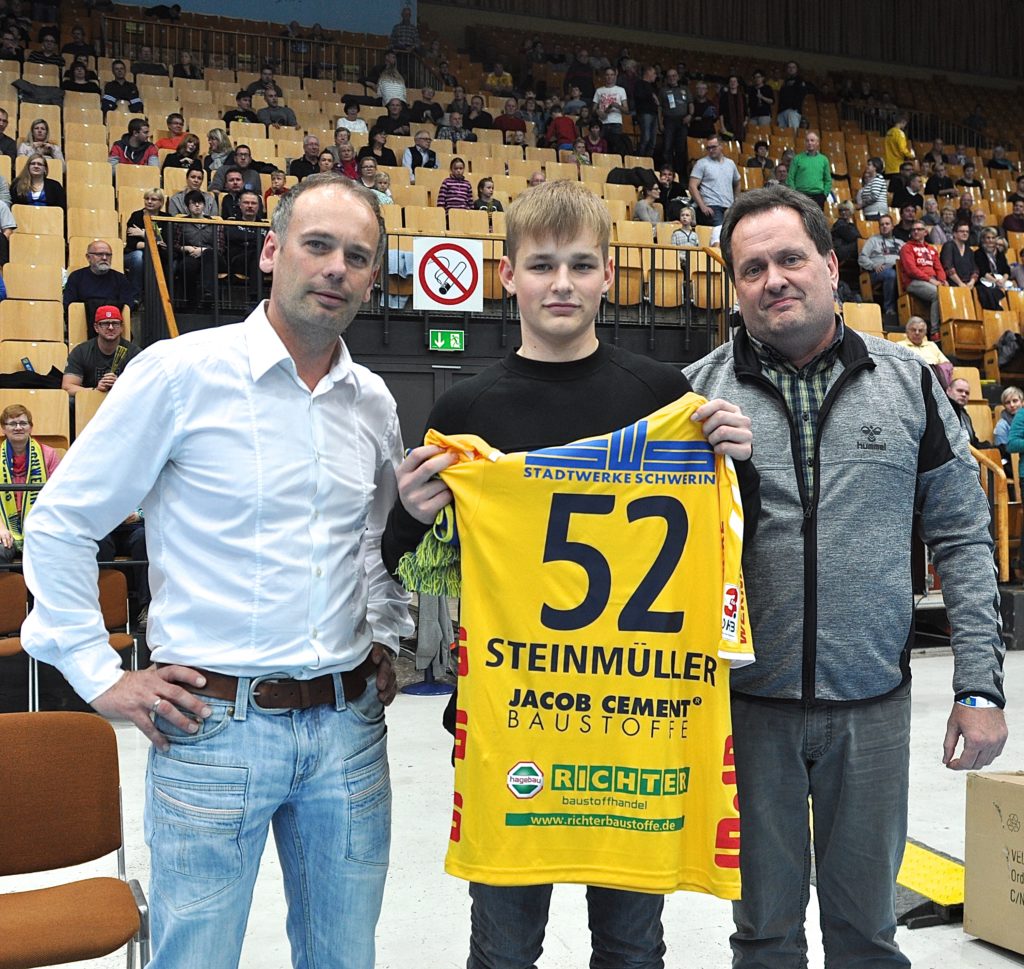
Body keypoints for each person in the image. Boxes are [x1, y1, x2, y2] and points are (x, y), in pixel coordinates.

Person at [23, 172, 411, 969]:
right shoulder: (177, 373)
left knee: (345, 959)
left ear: (374, 276)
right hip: (213, 731)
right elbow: (61, 522)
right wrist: (100, 673)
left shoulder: (372, 401)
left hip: (348, 731)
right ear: (272, 251)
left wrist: (387, 635)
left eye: (358, 255)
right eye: (317, 245)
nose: (336, 267)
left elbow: (376, 536)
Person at [380, 178, 756, 969]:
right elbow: (417, 569)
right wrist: (412, 515)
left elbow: (725, 539)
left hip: (638, 727)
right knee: (504, 950)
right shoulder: (468, 409)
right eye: (542, 264)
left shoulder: (663, 397)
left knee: (631, 949)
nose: (561, 283)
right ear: (507, 275)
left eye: (581, 266)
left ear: (607, 275)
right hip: (514, 720)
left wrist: (735, 462)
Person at [684, 184, 1006, 969]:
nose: (774, 279)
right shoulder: (693, 396)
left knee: (866, 934)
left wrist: (979, 687)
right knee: (762, 933)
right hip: (745, 711)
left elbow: (964, 537)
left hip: (872, 706)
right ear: (735, 287)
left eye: (791, 257)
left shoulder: (910, 385)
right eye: (752, 267)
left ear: (831, 265)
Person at [0, 404, 61, 564]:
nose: (18, 428)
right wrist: (1, 528)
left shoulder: (49, 454)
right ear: (3, 429)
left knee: (50, 551)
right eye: (12, 424)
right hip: (4, 525)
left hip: (41, 523)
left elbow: (58, 495)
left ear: (31, 427)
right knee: (0, 550)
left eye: (23, 423)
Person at [62, 304, 142, 400]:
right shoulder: (81, 351)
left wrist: (120, 386)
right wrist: (96, 390)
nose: (111, 327)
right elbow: (68, 387)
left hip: (123, 402)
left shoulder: (134, 353)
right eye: (105, 323)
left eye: (115, 323)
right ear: (96, 327)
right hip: (89, 402)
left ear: (121, 327)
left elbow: (143, 386)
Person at [899, 219, 947, 334]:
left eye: (919, 229)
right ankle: (935, 331)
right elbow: (911, 270)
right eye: (913, 229)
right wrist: (931, 280)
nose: (916, 232)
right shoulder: (907, 248)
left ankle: (946, 329)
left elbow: (939, 267)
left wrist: (942, 280)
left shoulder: (931, 249)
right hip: (913, 282)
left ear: (925, 232)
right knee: (937, 294)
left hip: (932, 281)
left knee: (947, 292)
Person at [63, 240, 134, 318]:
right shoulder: (76, 277)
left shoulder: (121, 278)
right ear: (88, 257)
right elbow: (69, 306)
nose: (104, 258)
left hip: (112, 323)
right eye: (99, 254)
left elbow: (128, 306)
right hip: (83, 323)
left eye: (108, 255)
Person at [688, 135, 740, 227]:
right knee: (719, 234)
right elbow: (692, 186)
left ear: (721, 146)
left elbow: (737, 182)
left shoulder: (730, 163)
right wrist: (702, 206)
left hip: (729, 207)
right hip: (712, 206)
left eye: (713, 147)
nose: (711, 150)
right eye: (708, 148)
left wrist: (735, 202)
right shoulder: (701, 163)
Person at [898, 315, 953, 388]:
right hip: (913, 380)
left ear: (925, 333)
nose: (917, 333)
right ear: (907, 331)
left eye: (920, 330)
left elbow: (946, 363)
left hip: (935, 379)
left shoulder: (931, 345)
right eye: (913, 330)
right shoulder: (899, 345)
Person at [659, 67, 692, 176]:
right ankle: (668, 171)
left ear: (677, 77)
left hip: (682, 121)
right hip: (669, 121)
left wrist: (690, 115)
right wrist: (660, 122)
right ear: (667, 78)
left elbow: (690, 104)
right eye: (669, 76)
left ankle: (679, 173)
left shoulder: (685, 89)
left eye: (674, 76)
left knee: (681, 148)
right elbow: (659, 108)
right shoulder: (663, 90)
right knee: (667, 147)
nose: (672, 78)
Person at [786, 130, 831, 209]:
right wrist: (794, 194)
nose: (809, 143)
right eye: (807, 141)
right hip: (800, 195)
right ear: (805, 143)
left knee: (816, 221)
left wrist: (824, 194)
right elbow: (790, 177)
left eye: (812, 140)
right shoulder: (797, 159)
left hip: (818, 196)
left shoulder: (824, 159)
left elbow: (828, 180)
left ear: (817, 143)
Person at [593, 67, 629, 151]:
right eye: (607, 75)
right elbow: (593, 109)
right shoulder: (599, 91)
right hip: (602, 123)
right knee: (602, 148)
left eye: (612, 75)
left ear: (615, 76)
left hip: (616, 123)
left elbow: (626, 110)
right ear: (604, 76)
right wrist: (598, 111)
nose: (609, 77)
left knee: (615, 148)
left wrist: (617, 106)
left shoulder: (621, 90)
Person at [940, 220, 978, 292]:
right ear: (954, 233)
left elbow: (975, 269)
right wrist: (960, 283)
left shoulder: (969, 250)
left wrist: (972, 282)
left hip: (968, 284)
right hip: (953, 283)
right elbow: (948, 267)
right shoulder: (948, 246)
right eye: (962, 231)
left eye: (967, 232)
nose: (965, 233)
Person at [776, 61, 812, 128]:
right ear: (787, 69)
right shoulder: (785, 81)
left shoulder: (800, 80)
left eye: (793, 67)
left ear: (797, 69)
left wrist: (794, 107)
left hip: (793, 111)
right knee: (781, 133)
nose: (791, 69)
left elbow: (802, 95)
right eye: (789, 67)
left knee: (793, 133)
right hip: (782, 111)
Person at [883, 113, 914, 184]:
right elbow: (902, 149)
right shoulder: (900, 133)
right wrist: (911, 156)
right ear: (903, 122)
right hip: (897, 167)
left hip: (888, 167)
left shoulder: (889, 132)